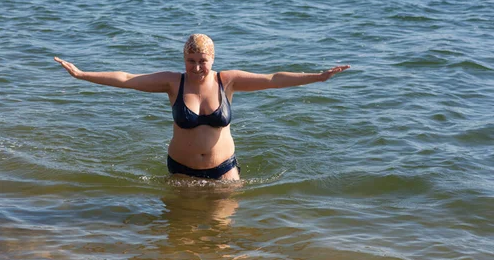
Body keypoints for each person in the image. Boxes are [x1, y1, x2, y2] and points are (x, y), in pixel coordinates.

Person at [54, 34, 349, 181]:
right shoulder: (173, 83)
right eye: (191, 61)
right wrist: (82, 74)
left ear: (212, 60)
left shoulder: (228, 81)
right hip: (182, 171)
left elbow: (272, 79)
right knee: (180, 238)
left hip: (224, 171)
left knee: (222, 243)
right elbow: (127, 79)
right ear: (184, 60)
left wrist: (317, 77)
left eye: (202, 61)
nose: (196, 68)